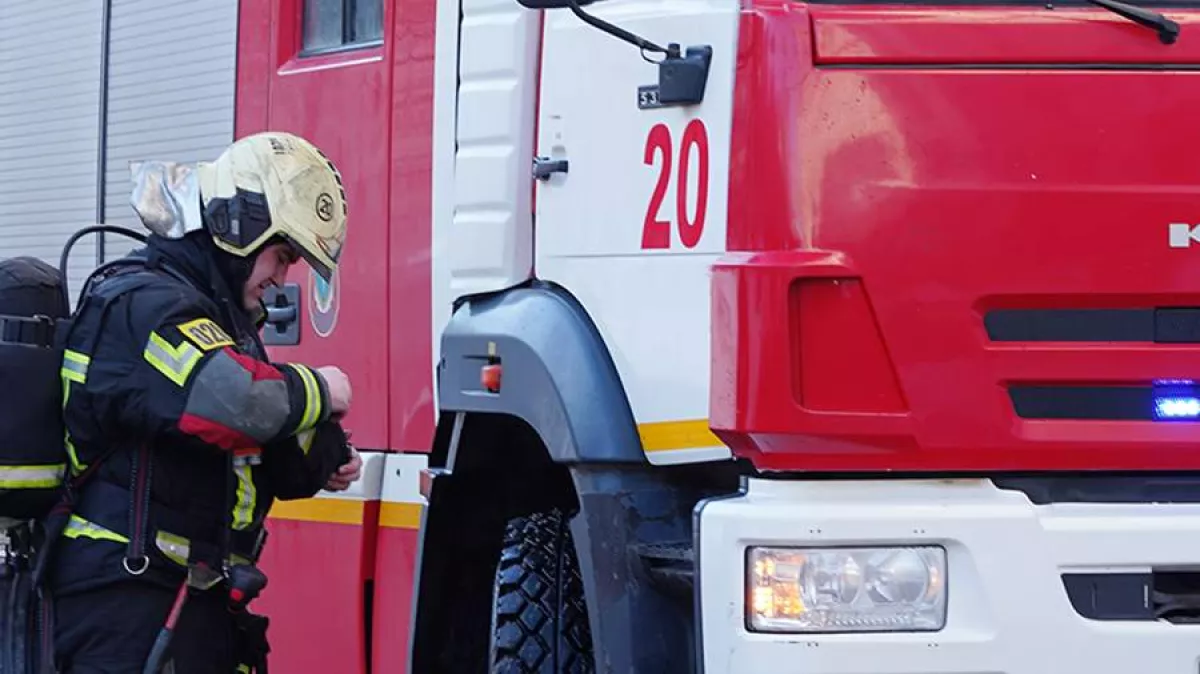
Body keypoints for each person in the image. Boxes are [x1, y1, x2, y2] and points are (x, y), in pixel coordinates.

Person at [39, 131, 363, 673]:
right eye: (282, 256)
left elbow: (266, 444)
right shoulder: (143, 303)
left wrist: (329, 453)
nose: (282, 279)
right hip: (122, 606)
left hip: (187, 603)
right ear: (243, 227)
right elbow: (238, 403)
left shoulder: (217, 321)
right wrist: (323, 389)